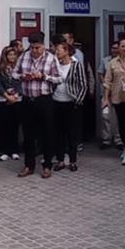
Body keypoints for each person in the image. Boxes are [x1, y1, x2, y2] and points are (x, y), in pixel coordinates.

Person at [12, 31, 59, 179]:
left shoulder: (51, 58)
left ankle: (47, 165)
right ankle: (29, 165)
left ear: (43, 46)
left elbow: (59, 78)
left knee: (47, 133)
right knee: (28, 134)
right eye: (32, 47)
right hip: (28, 100)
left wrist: (44, 76)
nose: (34, 50)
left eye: (37, 47)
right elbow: (14, 74)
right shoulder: (23, 56)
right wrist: (22, 76)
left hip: (44, 100)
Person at [51, 41, 88, 172]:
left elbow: (83, 85)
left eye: (59, 50)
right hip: (57, 101)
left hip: (71, 103)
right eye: (56, 50)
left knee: (72, 133)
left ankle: (72, 160)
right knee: (58, 133)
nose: (57, 52)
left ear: (66, 51)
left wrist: (78, 101)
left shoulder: (76, 65)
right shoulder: (55, 65)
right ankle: (60, 160)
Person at [102, 37, 125, 165]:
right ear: (119, 48)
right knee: (122, 124)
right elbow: (107, 82)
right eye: (123, 46)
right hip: (117, 98)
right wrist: (106, 98)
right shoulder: (112, 63)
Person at [0, 46, 22, 161]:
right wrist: (6, 96)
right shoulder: (0, 69)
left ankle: (14, 150)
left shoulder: (20, 68)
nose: (12, 57)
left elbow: (21, 83)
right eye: (10, 55)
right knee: (4, 125)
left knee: (14, 125)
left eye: (14, 54)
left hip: (17, 99)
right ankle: (5, 151)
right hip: (3, 99)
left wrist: (15, 95)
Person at [99, 41, 121, 150]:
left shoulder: (122, 61)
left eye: (117, 48)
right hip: (106, 94)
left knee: (117, 117)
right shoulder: (105, 60)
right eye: (113, 48)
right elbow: (100, 74)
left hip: (118, 94)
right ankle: (106, 139)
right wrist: (105, 83)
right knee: (105, 116)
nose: (115, 50)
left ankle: (118, 140)